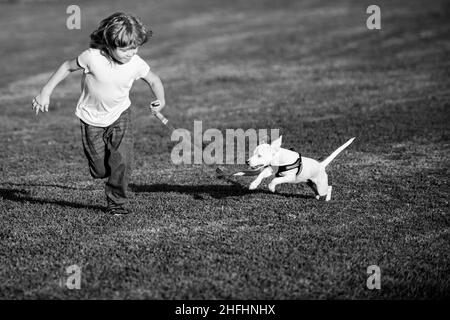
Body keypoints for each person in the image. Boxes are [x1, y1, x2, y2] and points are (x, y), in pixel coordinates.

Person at [31, 12, 166, 215]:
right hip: (90, 118)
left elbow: (154, 80)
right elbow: (67, 67)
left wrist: (160, 100)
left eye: (135, 47)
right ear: (109, 44)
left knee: (122, 160)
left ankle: (117, 204)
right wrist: (45, 92)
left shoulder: (135, 63)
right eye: (124, 48)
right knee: (101, 170)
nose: (130, 53)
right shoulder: (92, 57)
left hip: (120, 115)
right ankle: (107, 172)